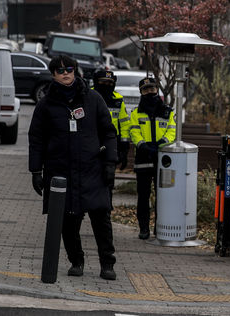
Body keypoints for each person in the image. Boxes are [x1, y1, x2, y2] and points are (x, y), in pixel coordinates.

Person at [28, 55, 118, 280]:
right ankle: (76, 261)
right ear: (53, 75)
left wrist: (110, 163)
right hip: (61, 172)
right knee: (67, 222)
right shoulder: (46, 104)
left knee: (101, 219)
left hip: (92, 170)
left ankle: (108, 264)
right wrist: (36, 171)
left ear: (76, 71)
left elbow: (109, 132)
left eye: (69, 69)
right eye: (60, 71)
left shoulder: (93, 99)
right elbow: (36, 139)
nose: (65, 73)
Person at [129, 78, 176, 239]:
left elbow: (171, 130)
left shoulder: (168, 111)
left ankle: (159, 227)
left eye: (152, 89)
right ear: (141, 92)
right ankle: (144, 228)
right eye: (146, 89)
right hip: (143, 157)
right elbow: (134, 132)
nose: (150, 92)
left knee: (162, 195)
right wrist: (143, 146)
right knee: (143, 195)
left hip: (162, 159)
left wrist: (161, 144)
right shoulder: (136, 113)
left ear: (157, 90)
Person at [92, 70, 130, 169]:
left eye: (110, 83)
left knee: (108, 177)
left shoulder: (118, 100)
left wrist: (124, 148)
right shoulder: (87, 96)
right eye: (103, 82)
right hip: (90, 140)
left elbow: (124, 125)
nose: (106, 85)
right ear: (96, 81)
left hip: (112, 142)